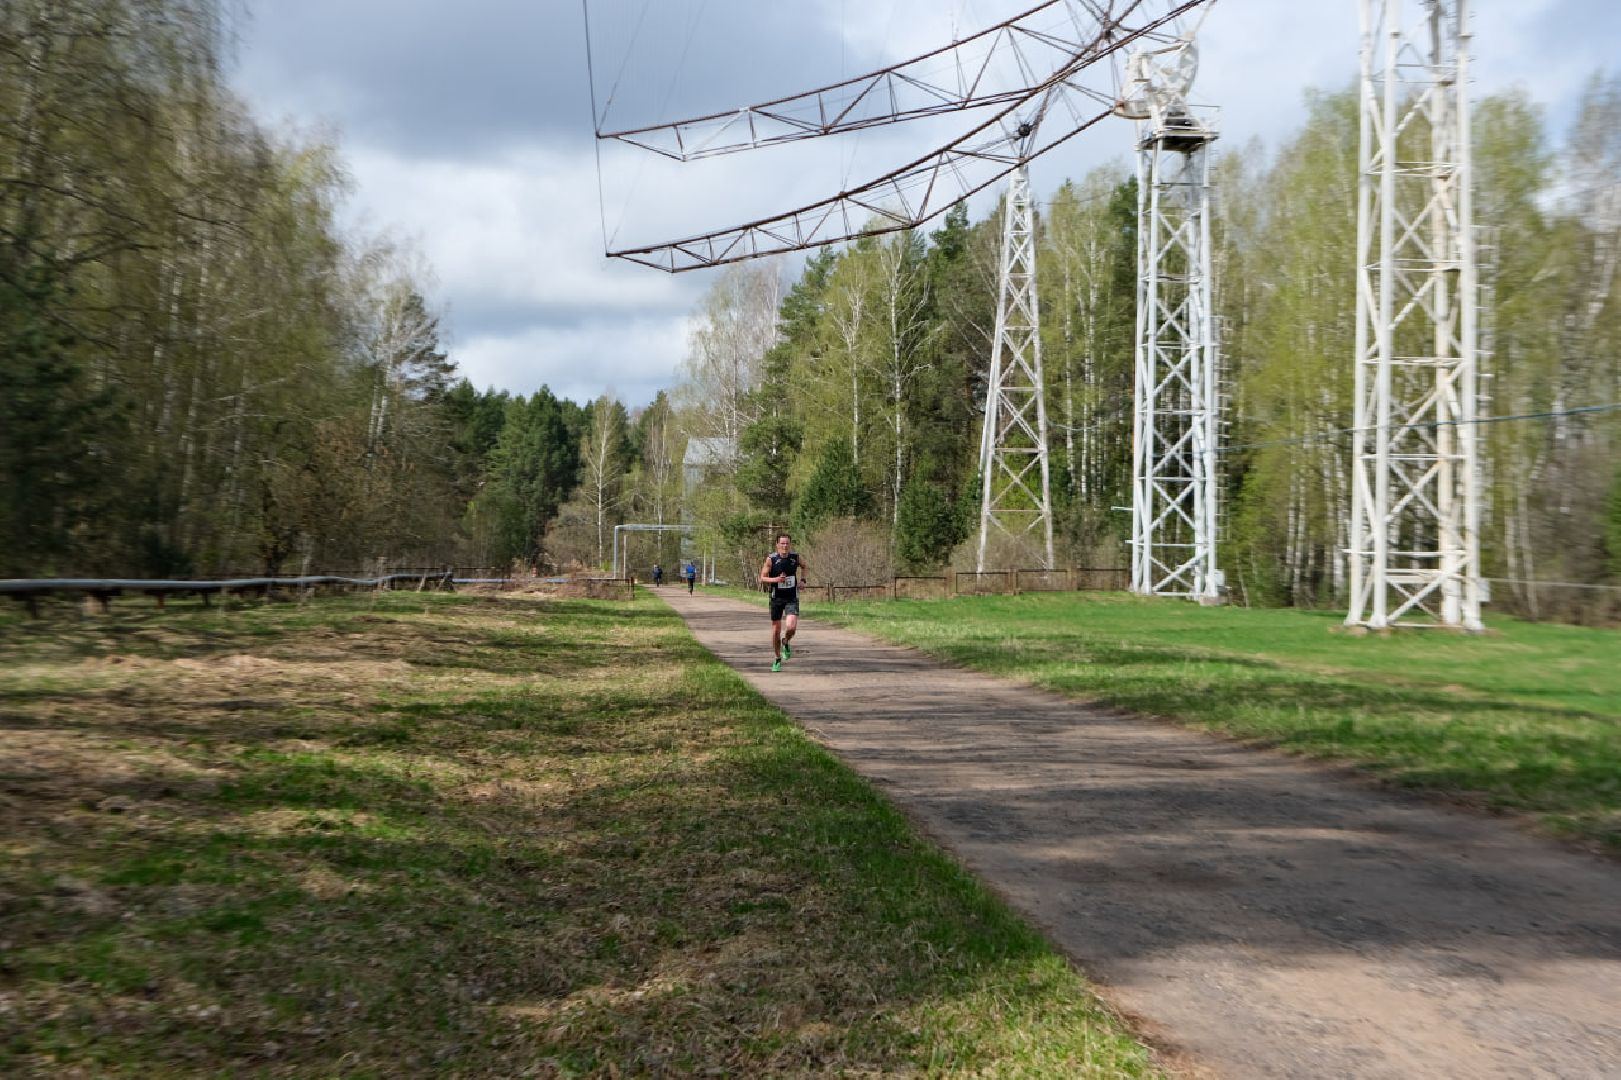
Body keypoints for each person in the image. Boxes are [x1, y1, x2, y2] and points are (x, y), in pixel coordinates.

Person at [758, 533, 807, 672]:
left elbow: (804, 566)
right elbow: (762, 578)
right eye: (782, 543)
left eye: (787, 543)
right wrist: (776, 580)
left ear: (790, 544)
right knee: (775, 631)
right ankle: (777, 658)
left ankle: (786, 641)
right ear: (777, 544)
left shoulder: (795, 557)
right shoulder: (771, 559)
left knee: (791, 627)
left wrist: (803, 581)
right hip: (776, 598)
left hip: (792, 596)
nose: (785, 546)